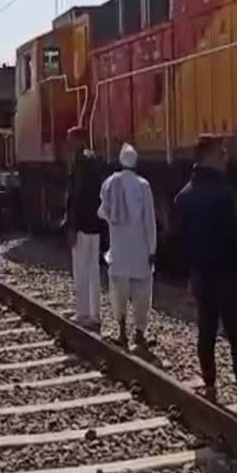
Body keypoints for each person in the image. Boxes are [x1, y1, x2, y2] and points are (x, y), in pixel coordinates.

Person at [174, 134, 237, 412]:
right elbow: (234, 240)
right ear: (210, 157)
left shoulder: (183, 197)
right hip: (226, 277)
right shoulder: (223, 194)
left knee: (206, 332)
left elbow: (180, 242)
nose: (226, 159)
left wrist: (190, 275)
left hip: (201, 277)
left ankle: (210, 387)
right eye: (222, 154)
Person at [98, 143, 156, 350]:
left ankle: (122, 333)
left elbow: (101, 212)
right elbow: (149, 221)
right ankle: (140, 333)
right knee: (142, 293)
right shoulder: (143, 185)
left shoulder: (109, 184)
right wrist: (152, 250)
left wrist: (114, 218)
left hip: (119, 249)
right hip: (140, 249)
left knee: (119, 291)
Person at [65, 150, 104, 332]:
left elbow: (75, 199)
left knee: (80, 270)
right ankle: (95, 315)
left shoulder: (79, 167)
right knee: (93, 271)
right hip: (94, 226)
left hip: (81, 227)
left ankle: (82, 313)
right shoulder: (95, 166)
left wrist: (72, 225)